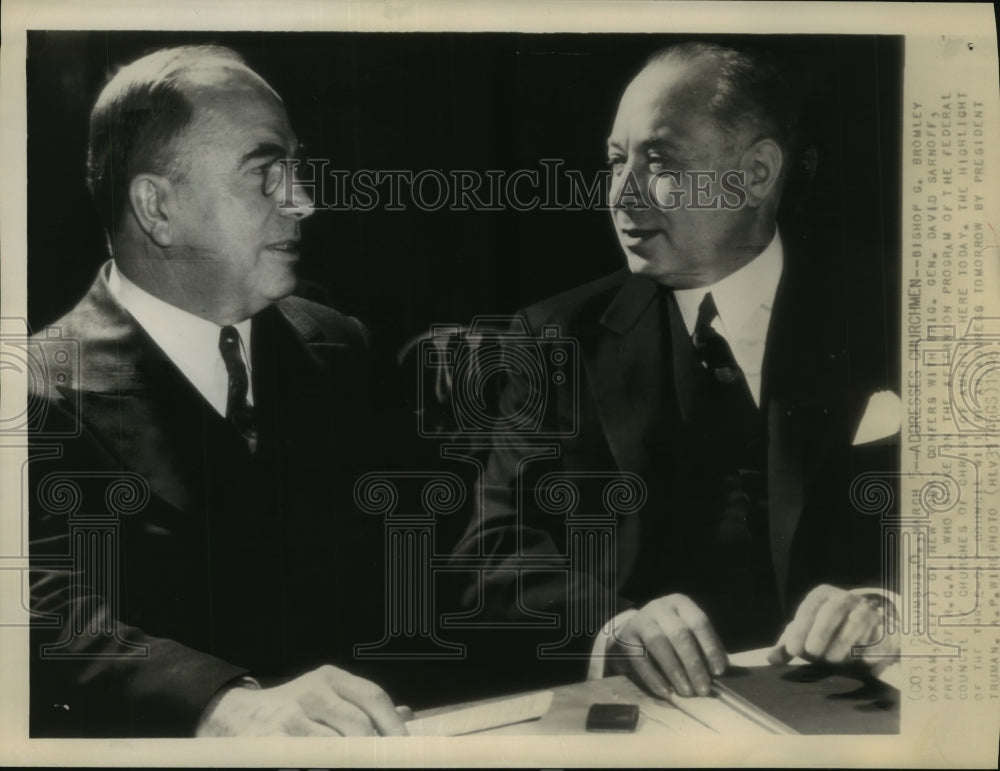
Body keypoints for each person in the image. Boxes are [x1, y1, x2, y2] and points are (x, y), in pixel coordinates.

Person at [452, 42, 900, 700]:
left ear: (757, 172)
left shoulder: (899, 309)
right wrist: (615, 626)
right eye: (614, 160)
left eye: (658, 162)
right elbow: (488, 550)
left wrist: (885, 603)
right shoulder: (553, 339)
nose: (620, 192)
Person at [28, 45, 408, 738]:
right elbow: (41, 613)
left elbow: (429, 563)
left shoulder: (340, 348)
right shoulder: (33, 394)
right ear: (157, 207)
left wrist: (605, 623)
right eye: (266, 172)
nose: (304, 200)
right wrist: (222, 703)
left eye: (295, 167)